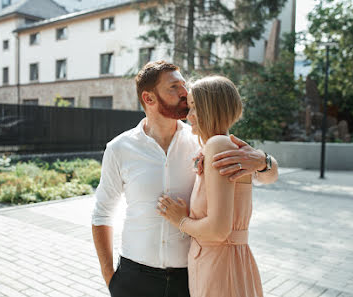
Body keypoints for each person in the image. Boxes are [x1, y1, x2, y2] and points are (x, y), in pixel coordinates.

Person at [92, 61, 278, 297]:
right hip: (133, 279)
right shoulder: (119, 148)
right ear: (149, 99)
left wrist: (264, 161)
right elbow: (102, 214)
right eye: (174, 87)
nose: (184, 92)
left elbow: (265, 178)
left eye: (183, 85)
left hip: (189, 279)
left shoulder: (202, 141)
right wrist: (111, 278)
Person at [158, 75, 270, 297]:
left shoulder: (218, 145)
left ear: (211, 109)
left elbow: (218, 230)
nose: (188, 116)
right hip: (223, 263)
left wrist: (180, 220)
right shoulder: (219, 146)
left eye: (194, 108)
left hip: (219, 266)